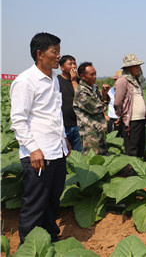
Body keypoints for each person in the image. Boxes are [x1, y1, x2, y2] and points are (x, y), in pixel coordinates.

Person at [10, 32, 71, 245]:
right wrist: (33, 149)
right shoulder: (25, 81)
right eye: (54, 52)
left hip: (56, 151)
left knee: (53, 200)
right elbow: (18, 120)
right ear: (40, 54)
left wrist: (64, 138)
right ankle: (29, 246)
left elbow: (54, 113)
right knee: (35, 203)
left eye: (59, 51)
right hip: (38, 154)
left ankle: (50, 239)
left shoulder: (53, 80)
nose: (58, 57)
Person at [114, 54, 146, 158]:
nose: (138, 68)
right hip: (131, 121)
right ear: (128, 68)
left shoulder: (136, 81)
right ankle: (130, 173)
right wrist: (122, 116)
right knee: (131, 150)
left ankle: (138, 172)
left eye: (139, 65)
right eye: (135, 66)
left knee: (140, 148)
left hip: (140, 120)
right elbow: (117, 102)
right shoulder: (122, 81)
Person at [73, 62, 110, 155]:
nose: (95, 76)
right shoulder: (82, 91)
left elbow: (102, 102)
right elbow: (95, 108)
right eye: (92, 74)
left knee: (103, 156)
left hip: (98, 129)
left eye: (95, 74)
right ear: (82, 76)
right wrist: (104, 104)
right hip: (89, 132)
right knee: (92, 159)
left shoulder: (94, 88)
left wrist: (104, 95)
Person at [57, 55, 83, 153]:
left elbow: (81, 98)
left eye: (74, 63)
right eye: (70, 64)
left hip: (78, 124)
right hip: (63, 126)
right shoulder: (57, 80)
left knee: (78, 154)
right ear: (62, 67)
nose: (73, 66)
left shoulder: (79, 81)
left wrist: (73, 80)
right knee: (64, 153)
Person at [106, 70, 122, 136]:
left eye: (117, 80)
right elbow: (101, 103)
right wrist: (104, 115)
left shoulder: (126, 91)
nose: (115, 82)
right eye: (115, 80)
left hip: (122, 121)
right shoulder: (110, 90)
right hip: (112, 120)